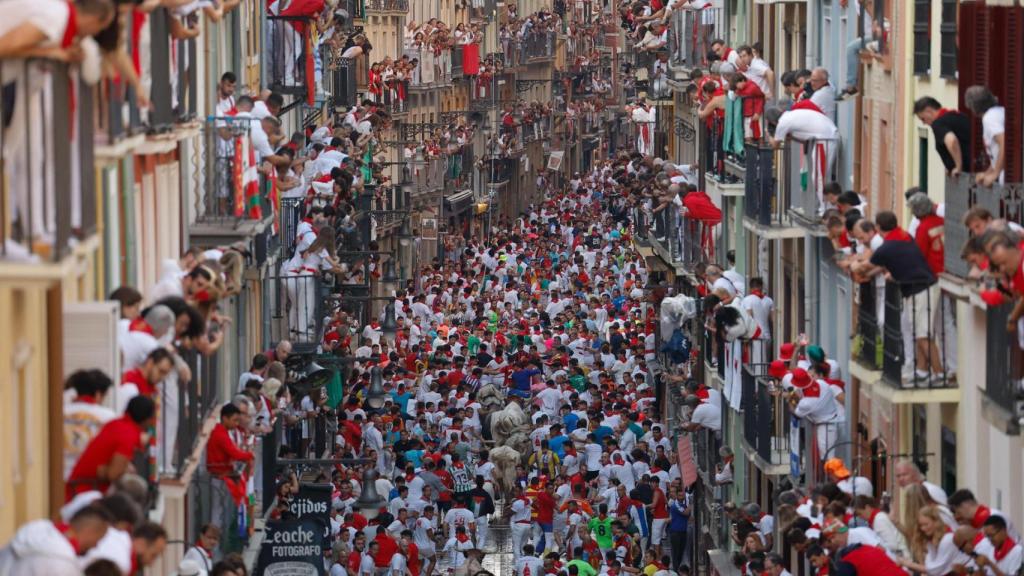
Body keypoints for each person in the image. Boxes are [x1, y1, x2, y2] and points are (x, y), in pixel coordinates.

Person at [66, 396, 157, 501]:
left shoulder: (116, 424)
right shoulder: (128, 435)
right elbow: (113, 474)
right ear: (147, 419)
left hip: (76, 489)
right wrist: (120, 469)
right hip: (85, 494)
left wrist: (107, 469)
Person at [0, 504, 112, 576]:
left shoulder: (33, 530)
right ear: (89, 531)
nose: (96, 546)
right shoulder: (64, 566)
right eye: (98, 539)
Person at [207, 403, 255, 528]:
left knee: (249, 500)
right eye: (235, 420)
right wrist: (249, 454)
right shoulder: (223, 433)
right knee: (222, 510)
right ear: (225, 418)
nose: (237, 423)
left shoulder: (228, 432)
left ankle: (248, 526)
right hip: (226, 476)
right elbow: (235, 453)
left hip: (239, 475)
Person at [63, 370, 117, 480]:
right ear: (98, 394)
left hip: (59, 477)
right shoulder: (109, 417)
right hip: (91, 480)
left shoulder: (60, 412)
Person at [913, 97, 971, 177]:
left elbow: (951, 140)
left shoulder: (938, 124)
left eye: (923, 119)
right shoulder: (958, 116)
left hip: (965, 175)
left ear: (928, 111)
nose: (924, 123)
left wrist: (958, 167)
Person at [964, 85, 1005, 186]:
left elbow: (1004, 142)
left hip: (1006, 177)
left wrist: (995, 174)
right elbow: (996, 153)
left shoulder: (989, 119)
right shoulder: (999, 112)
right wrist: (988, 173)